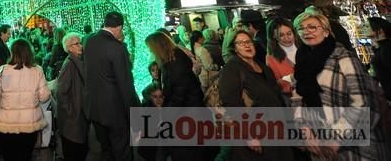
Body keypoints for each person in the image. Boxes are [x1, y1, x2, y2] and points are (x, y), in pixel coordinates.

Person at [293, 10, 388, 160]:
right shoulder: (302, 61)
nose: (306, 31)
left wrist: (337, 136)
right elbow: (298, 98)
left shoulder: (343, 57)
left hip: (353, 144)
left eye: (312, 27)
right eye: (301, 28)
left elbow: (361, 102)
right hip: (320, 141)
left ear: (326, 32)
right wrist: (304, 130)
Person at [219, 30, 294, 161]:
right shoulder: (232, 69)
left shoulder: (262, 66)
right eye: (241, 43)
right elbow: (232, 103)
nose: (247, 45)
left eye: (248, 42)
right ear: (234, 48)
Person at [83, 11, 140, 161]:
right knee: (122, 151)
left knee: (106, 150)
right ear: (119, 27)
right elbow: (125, 83)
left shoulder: (89, 41)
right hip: (114, 111)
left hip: (94, 108)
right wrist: (134, 112)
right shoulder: (117, 47)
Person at [145, 31, 207, 161]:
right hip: (187, 111)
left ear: (158, 47)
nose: (150, 52)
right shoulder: (171, 59)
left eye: (151, 49)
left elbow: (179, 95)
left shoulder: (175, 63)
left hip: (187, 113)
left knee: (185, 152)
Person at [0, 38, 51, 161]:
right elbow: (44, 97)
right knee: (26, 156)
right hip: (29, 123)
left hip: (6, 124)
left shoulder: (3, 70)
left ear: (12, 52)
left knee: (9, 157)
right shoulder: (37, 70)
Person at [56, 32, 89, 161]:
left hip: (79, 116)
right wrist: (72, 111)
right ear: (69, 47)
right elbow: (61, 92)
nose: (81, 46)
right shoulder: (69, 64)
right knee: (74, 151)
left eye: (81, 43)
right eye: (77, 44)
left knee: (81, 149)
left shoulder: (78, 61)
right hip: (73, 119)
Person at [265, 17, 298, 100]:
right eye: (281, 35)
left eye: (289, 33)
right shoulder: (271, 57)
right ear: (274, 36)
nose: (287, 38)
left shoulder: (304, 47)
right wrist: (292, 78)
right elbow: (275, 84)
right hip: (292, 99)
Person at [369, 16, 391, 101]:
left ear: (380, 31)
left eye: (367, 26)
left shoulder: (386, 49)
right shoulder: (381, 48)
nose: (362, 27)